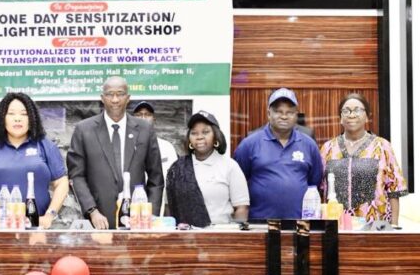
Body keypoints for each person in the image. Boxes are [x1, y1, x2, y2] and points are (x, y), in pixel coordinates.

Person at [66, 76, 164, 229]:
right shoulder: (84, 130)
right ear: (102, 98)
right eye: (110, 94)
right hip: (98, 222)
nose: (115, 99)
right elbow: (76, 175)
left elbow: (156, 178)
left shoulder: (145, 129)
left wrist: (150, 215)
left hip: (138, 223)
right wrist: (92, 211)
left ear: (128, 98)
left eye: (120, 94)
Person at [0, 92, 68, 229]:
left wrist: (50, 215)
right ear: (3, 118)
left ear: (32, 118)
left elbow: (61, 182)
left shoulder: (44, 145)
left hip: (36, 228)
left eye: (24, 114)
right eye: (11, 114)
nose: (17, 119)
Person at [234, 87, 323, 220]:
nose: (284, 116)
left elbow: (313, 184)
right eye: (278, 111)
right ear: (268, 114)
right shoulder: (249, 144)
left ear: (296, 115)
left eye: (290, 112)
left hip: (300, 225)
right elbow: (237, 184)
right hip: (259, 225)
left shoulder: (309, 145)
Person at [320, 93, 408, 225]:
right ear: (340, 118)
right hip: (336, 226)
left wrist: (394, 226)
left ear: (367, 117)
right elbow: (320, 188)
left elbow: (394, 190)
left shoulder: (382, 146)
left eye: (358, 110)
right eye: (346, 111)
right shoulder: (328, 148)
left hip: (376, 225)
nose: (352, 114)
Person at [166, 111, 249, 226]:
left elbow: (241, 208)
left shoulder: (230, 166)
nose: (199, 137)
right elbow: (170, 207)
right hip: (185, 237)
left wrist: (234, 237)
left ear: (216, 135)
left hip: (221, 237)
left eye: (205, 132)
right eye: (194, 133)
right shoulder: (177, 168)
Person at [132, 100, 178, 215]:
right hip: (130, 210)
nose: (143, 118)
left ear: (154, 119)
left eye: (147, 114)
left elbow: (173, 183)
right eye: (138, 115)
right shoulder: (124, 146)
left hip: (159, 212)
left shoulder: (167, 147)